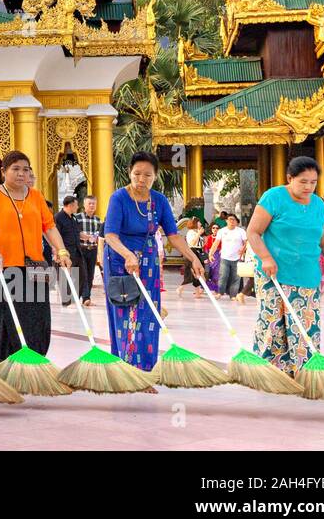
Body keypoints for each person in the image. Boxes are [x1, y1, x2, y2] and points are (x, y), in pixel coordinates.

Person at [245, 156, 324, 376]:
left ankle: (304, 373)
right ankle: (270, 373)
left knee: (305, 326)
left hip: (307, 274)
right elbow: (253, 232)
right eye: (303, 181)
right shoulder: (274, 197)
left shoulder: (318, 204)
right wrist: (265, 257)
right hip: (273, 273)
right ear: (289, 178)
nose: (309, 187)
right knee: (273, 323)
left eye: (313, 182)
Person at [102, 152, 203, 370]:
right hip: (120, 259)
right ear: (129, 173)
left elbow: (174, 235)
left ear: (155, 176)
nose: (141, 179)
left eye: (147, 175)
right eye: (137, 173)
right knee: (126, 314)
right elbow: (110, 235)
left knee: (148, 314)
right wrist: (128, 254)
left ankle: (145, 369)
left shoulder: (159, 200)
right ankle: (126, 368)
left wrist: (193, 258)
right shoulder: (119, 198)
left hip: (148, 260)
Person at [0, 150, 71, 364]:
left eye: (25, 169)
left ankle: (35, 364)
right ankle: (8, 366)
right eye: (15, 169)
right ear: (3, 171)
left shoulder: (36, 196)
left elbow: (50, 227)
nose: (21, 174)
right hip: (4, 267)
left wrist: (61, 250)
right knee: (7, 319)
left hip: (36, 266)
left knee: (39, 317)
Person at [54, 195, 82, 307]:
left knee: (81, 275)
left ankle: (74, 298)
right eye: (76, 205)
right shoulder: (58, 217)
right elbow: (55, 236)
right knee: (64, 276)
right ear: (70, 205)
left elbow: (77, 233)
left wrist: (86, 237)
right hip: (65, 251)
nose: (77, 207)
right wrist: (57, 252)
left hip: (77, 250)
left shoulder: (74, 218)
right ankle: (66, 301)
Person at [74, 195, 102, 306]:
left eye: (93, 204)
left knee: (90, 274)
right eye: (89, 203)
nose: (91, 206)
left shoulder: (98, 220)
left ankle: (86, 296)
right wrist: (85, 237)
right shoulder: (77, 218)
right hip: (81, 249)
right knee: (83, 273)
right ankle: (86, 298)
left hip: (93, 249)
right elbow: (75, 233)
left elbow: (99, 234)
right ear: (84, 205)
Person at [215, 214, 247, 299]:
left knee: (236, 278)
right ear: (226, 221)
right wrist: (210, 253)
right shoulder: (221, 231)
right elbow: (216, 243)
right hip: (225, 257)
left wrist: (243, 249)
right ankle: (220, 293)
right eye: (230, 219)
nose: (232, 221)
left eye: (233, 220)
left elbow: (246, 242)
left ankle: (233, 295)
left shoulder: (241, 231)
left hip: (238, 258)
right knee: (223, 276)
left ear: (236, 221)